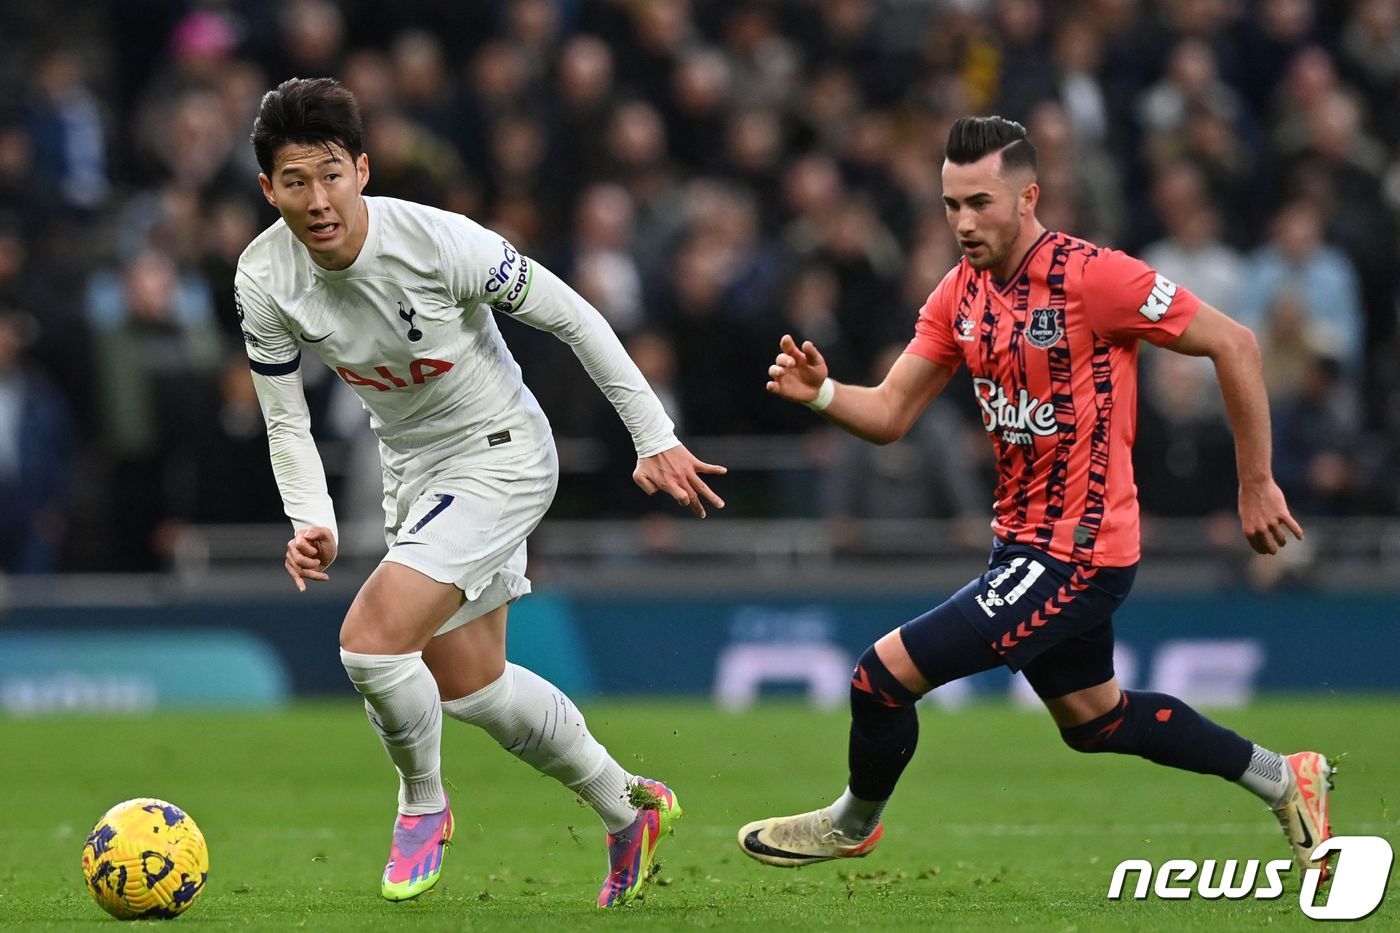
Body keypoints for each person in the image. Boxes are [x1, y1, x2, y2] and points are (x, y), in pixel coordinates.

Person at [739, 116, 1331, 882]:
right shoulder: (960, 292)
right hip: (1022, 546)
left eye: (980, 202)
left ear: (1029, 197)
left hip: (1077, 553)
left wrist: (1256, 480)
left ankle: (853, 822)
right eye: (951, 204)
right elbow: (889, 414)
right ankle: (1286, 777)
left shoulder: (1096, 278)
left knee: (878, 677)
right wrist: (821, 392)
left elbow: (1235, 343)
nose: (962, 221)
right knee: (1095, 720)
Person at [237, 78, 724, 908]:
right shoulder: (263, 277)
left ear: (361, 169)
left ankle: (423, 804)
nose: (316, 200)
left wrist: (654, 433)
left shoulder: (440, 242)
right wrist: (310, 518)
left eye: (329, 175)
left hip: (502, 453)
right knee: (471, 683)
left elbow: (573, 314)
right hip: (414, 470)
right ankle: (626, 805)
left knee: (370, 641)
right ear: (267, 188)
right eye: (294, 181)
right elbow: (285, 421)